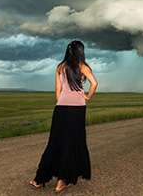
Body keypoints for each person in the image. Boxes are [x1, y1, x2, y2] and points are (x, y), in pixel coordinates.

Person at [29, 40, 98, 193]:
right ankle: (62, 181)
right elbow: (94, 83)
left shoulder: (60, 67)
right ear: (81, 52)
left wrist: (61, 101)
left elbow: (57, 89)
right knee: (73, 142)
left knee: (54, 142)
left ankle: (39, 179)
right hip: (78, 109)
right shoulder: (83, 67)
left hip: (61, 108)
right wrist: (87, 96)